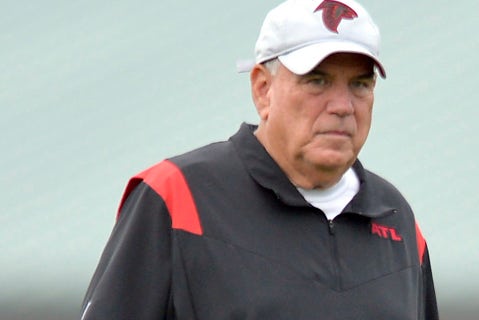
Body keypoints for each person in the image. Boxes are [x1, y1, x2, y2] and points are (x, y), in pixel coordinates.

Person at [80, 0, 438, 319]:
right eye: (317, 81)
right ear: (263, 89)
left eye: (360, 84)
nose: (343, 106)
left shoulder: (398, 220)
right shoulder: (176, 197)